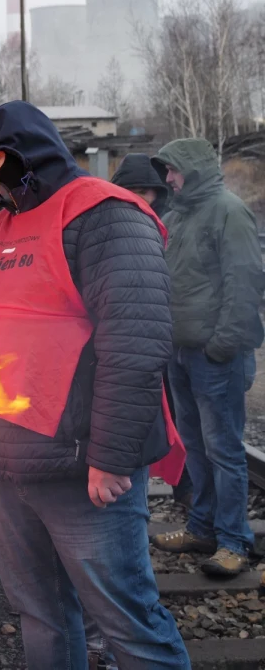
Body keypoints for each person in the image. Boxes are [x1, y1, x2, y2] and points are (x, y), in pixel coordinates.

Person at [0, 102, 187, 668]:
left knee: (128, 621)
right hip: (5, 463)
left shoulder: (105, 215)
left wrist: (111, 456)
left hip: (81, 468)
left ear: (26, 158)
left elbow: (135, 345)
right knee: (40, 616)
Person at [149, 138, 265, 578]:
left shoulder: (228, 211)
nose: (168, 179)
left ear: (193, 168)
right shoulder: (178, 215)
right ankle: (202, 528)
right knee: (196, 447)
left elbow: (245, 284)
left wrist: (222, 345)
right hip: (178, 352)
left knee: (224, 451)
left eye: (173, 170)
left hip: (213, 356)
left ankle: (234, 541)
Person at [111, 153, 192, 509]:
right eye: (132, 191)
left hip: (174, 339)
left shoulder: (170, 227)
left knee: (179, 419)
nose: (140, 199)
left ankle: (185, 488)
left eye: (146, 192)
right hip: (133, 339)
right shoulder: (109, 227)